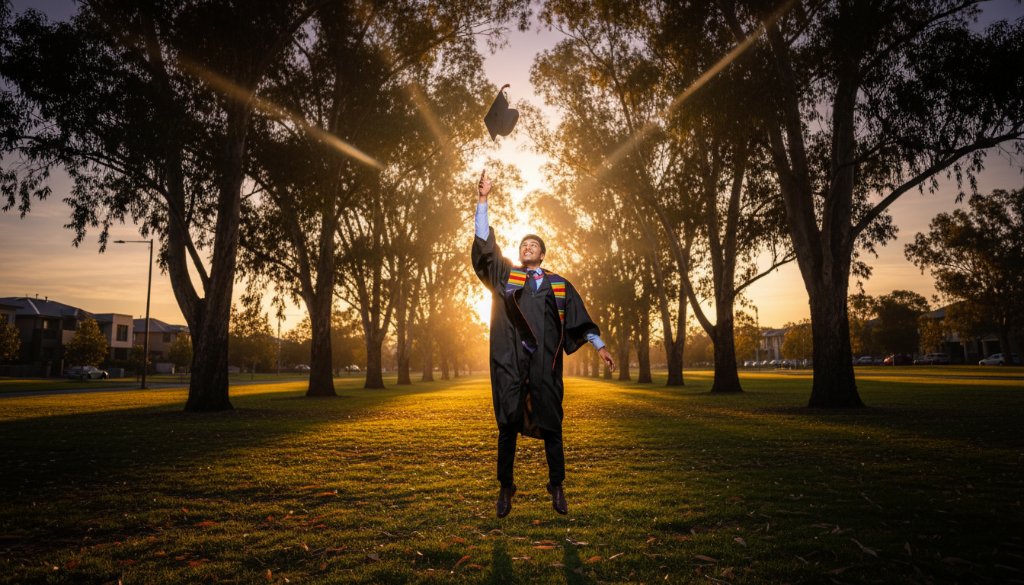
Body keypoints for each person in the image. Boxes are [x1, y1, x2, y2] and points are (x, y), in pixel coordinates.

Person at [471, 169, 615, 518]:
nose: (527, 247)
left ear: (543, 254)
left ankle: (557, 485)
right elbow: (486, 248)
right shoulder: (508, 276)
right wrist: (483, 200)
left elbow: (579, 319)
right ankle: (506, 488)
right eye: (523, 245)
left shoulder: (559, 284)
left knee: (552, 424)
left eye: (533, 245)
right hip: (512, 361)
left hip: (545, 364)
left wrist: (599, 346)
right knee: (507, 424)